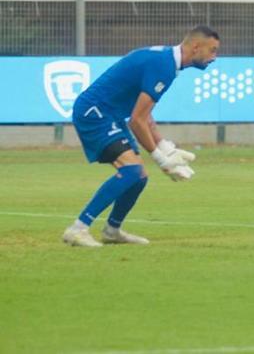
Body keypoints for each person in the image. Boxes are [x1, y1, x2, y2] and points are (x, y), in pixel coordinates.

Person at [62, 25, 220, 247]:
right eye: (212, 50)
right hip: (95, 113)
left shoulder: (167, 62)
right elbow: (136, 120)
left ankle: (112, 230)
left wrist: (165, 146)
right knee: (131, 171)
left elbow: (145, 114)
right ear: (196, 47)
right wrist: (161, 160)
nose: (214, 57)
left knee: (139, 176)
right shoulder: (164, 66)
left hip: (110, 114)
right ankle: (78, 229)